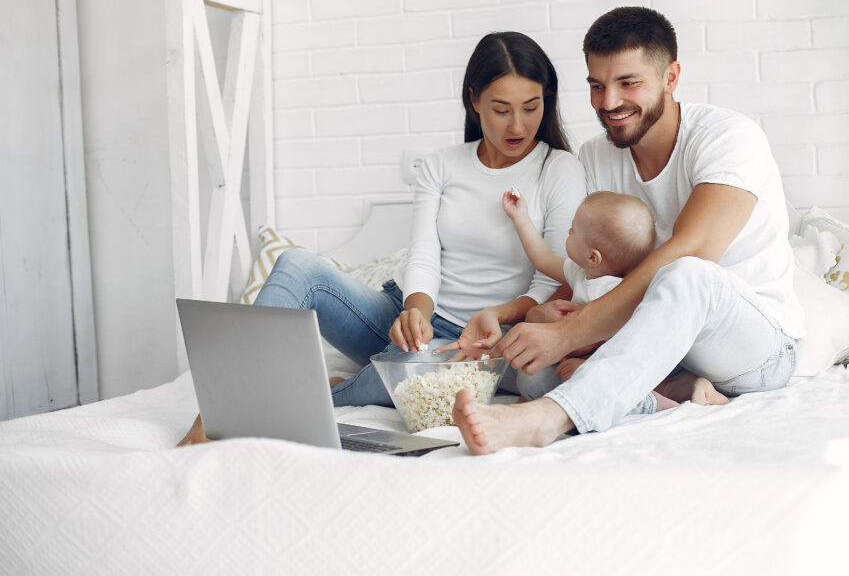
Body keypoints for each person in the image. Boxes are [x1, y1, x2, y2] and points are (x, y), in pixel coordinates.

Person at [178, 31, 586, 446]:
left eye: (530, 108)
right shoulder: (442, 165)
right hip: (413, 319)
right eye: (501, 109)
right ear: (474, 100)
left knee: (413, 370)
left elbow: (552, 277)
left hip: (487, 341)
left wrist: (497, 316)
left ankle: (318, 395)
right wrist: (416, 311)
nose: (517, 125)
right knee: (297, 266)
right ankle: (217, 413)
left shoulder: (559, 169)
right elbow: (424, 255)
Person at [453, 6, 806, 454]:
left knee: (687, 272)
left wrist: (570, 333)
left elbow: (693, 250)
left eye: (628, 83)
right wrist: (539, 318)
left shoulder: (728, 137)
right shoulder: (597, 156)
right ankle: (676, 392)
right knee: (536, 369)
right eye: (597, 86)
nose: (609, 102)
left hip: (754, 350)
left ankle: (550, 419)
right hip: (658, 348)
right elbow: (590, 268)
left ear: (671, 77)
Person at [503, 189, 725, 409]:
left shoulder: (612, 292)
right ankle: (690, 386)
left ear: (592, 256)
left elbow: (625, 346)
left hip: (616, 364)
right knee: (533, 376)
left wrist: (585, 365)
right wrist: (521, 218)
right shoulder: (581, 273)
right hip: (585, 359)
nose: (568, 233)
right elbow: (543, 258)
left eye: (572, 231)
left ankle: (654, 404)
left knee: (546, 381)